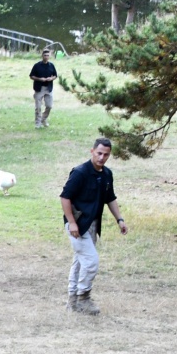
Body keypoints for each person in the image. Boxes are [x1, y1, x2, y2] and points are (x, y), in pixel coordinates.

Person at [60, 138, 128, 314]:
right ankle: (84, 298)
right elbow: (65, 197)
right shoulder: (80, 173)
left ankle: (72, 302)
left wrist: (119, 219)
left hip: (92, 225)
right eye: (99, 153)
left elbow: (110, 198)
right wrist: (72, 223)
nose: (102, 157)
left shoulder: (106, 174)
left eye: (106, 154)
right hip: (78, 226)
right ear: (92, 151)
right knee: (91, 262)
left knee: (80, 262)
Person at [30, 48, 58, 128]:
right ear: (42, 56)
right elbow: (31, 76)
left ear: (49, 56)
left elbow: (55, 75)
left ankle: (43, 119)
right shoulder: (37, 65)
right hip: (39, 88)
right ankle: (38, 123)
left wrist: (51, 78)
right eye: (45, 55)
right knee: (38, 107)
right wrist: (39, 79)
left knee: (49, 106)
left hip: (48, 88)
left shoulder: (51, 65)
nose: (46, 57)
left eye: (47, 55)